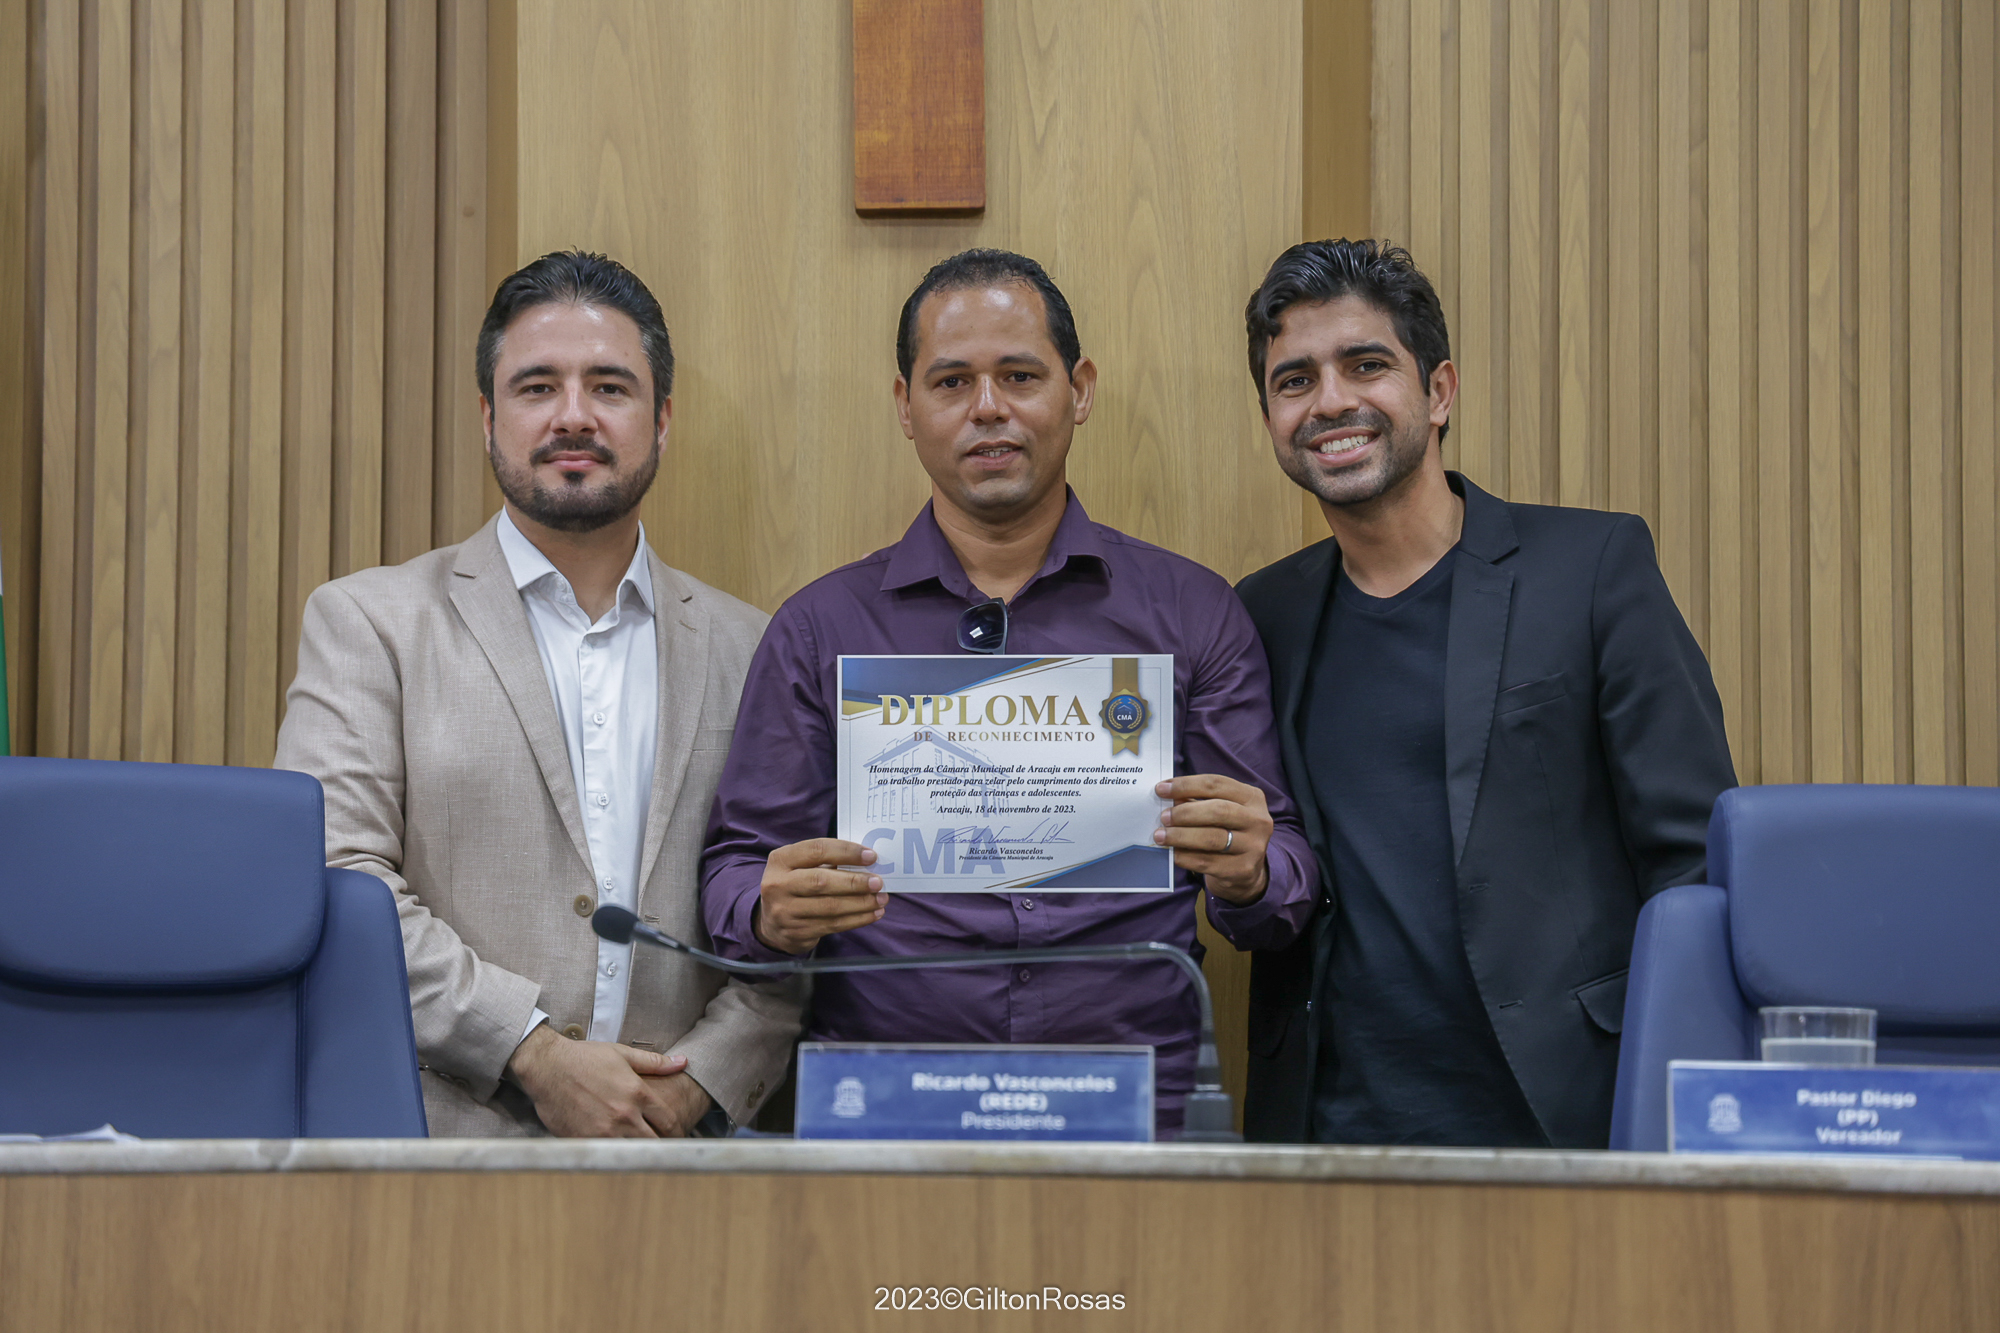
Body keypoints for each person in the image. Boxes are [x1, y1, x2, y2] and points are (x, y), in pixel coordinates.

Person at [699, 249, 1316, 1132]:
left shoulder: (1192, 613)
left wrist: (1252, 871)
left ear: (1080, 390)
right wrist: (769, 910)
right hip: (886, 1111)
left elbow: (1282, 881)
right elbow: (732, 877)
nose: (987, 407)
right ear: (905, 406)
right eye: (951, 381)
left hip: (1132, 1112)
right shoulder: (819, 629)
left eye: (1019, 376)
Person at [276, 250, 800, 1137]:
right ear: (489, 416)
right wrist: (532, 1051)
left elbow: (786, 914)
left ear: (662, 419)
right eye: (537, 386)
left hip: (685, 1162)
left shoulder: (754, 647)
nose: (573, 415)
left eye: (609, 387)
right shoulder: (371, 624)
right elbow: (337, 875)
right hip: (436, 1147)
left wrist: (698, 1083)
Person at [1234, 239, 1737, 1148]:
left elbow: (1693, 862)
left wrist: (1684, 1108)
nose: (1331, 400)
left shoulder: (1592, 569)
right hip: (1328, 1130)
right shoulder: (1261, 614)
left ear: (1439, 390)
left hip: (1567, 1114)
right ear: (1270, 415)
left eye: (1366, 364)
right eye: (1295, 379)